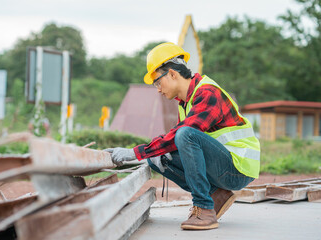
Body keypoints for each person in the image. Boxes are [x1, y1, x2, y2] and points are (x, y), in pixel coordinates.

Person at [105, 42, 260, 230]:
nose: (158, 89)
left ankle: (204, 209)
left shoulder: (207, 92)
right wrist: (143, 156)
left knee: (184, 134)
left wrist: (134, 152)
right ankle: (216, 195)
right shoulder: (185, 102)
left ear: (172, 74)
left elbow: (183, 135)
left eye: (158, 82)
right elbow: (175, 142)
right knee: (157, 157)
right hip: (222, 167)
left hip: (238, 168)